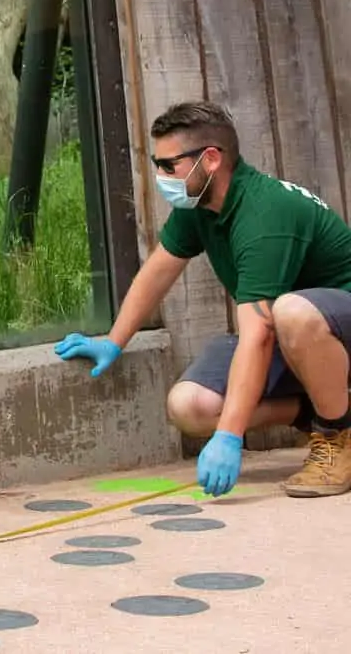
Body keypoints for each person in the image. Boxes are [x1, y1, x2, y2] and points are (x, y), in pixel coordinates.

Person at [55, 100, 351, 500]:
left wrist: (229, 435)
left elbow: (259, 334)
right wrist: (113, 340)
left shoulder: (265, 214)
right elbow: (159, 271)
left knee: (291, 311)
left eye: (168, 165)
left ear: (210, 159)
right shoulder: (201, 206)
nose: (160, 176)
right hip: (297, 343)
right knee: (188, 406)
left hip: (330, 333)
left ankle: (338, 439)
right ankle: (318, 412)